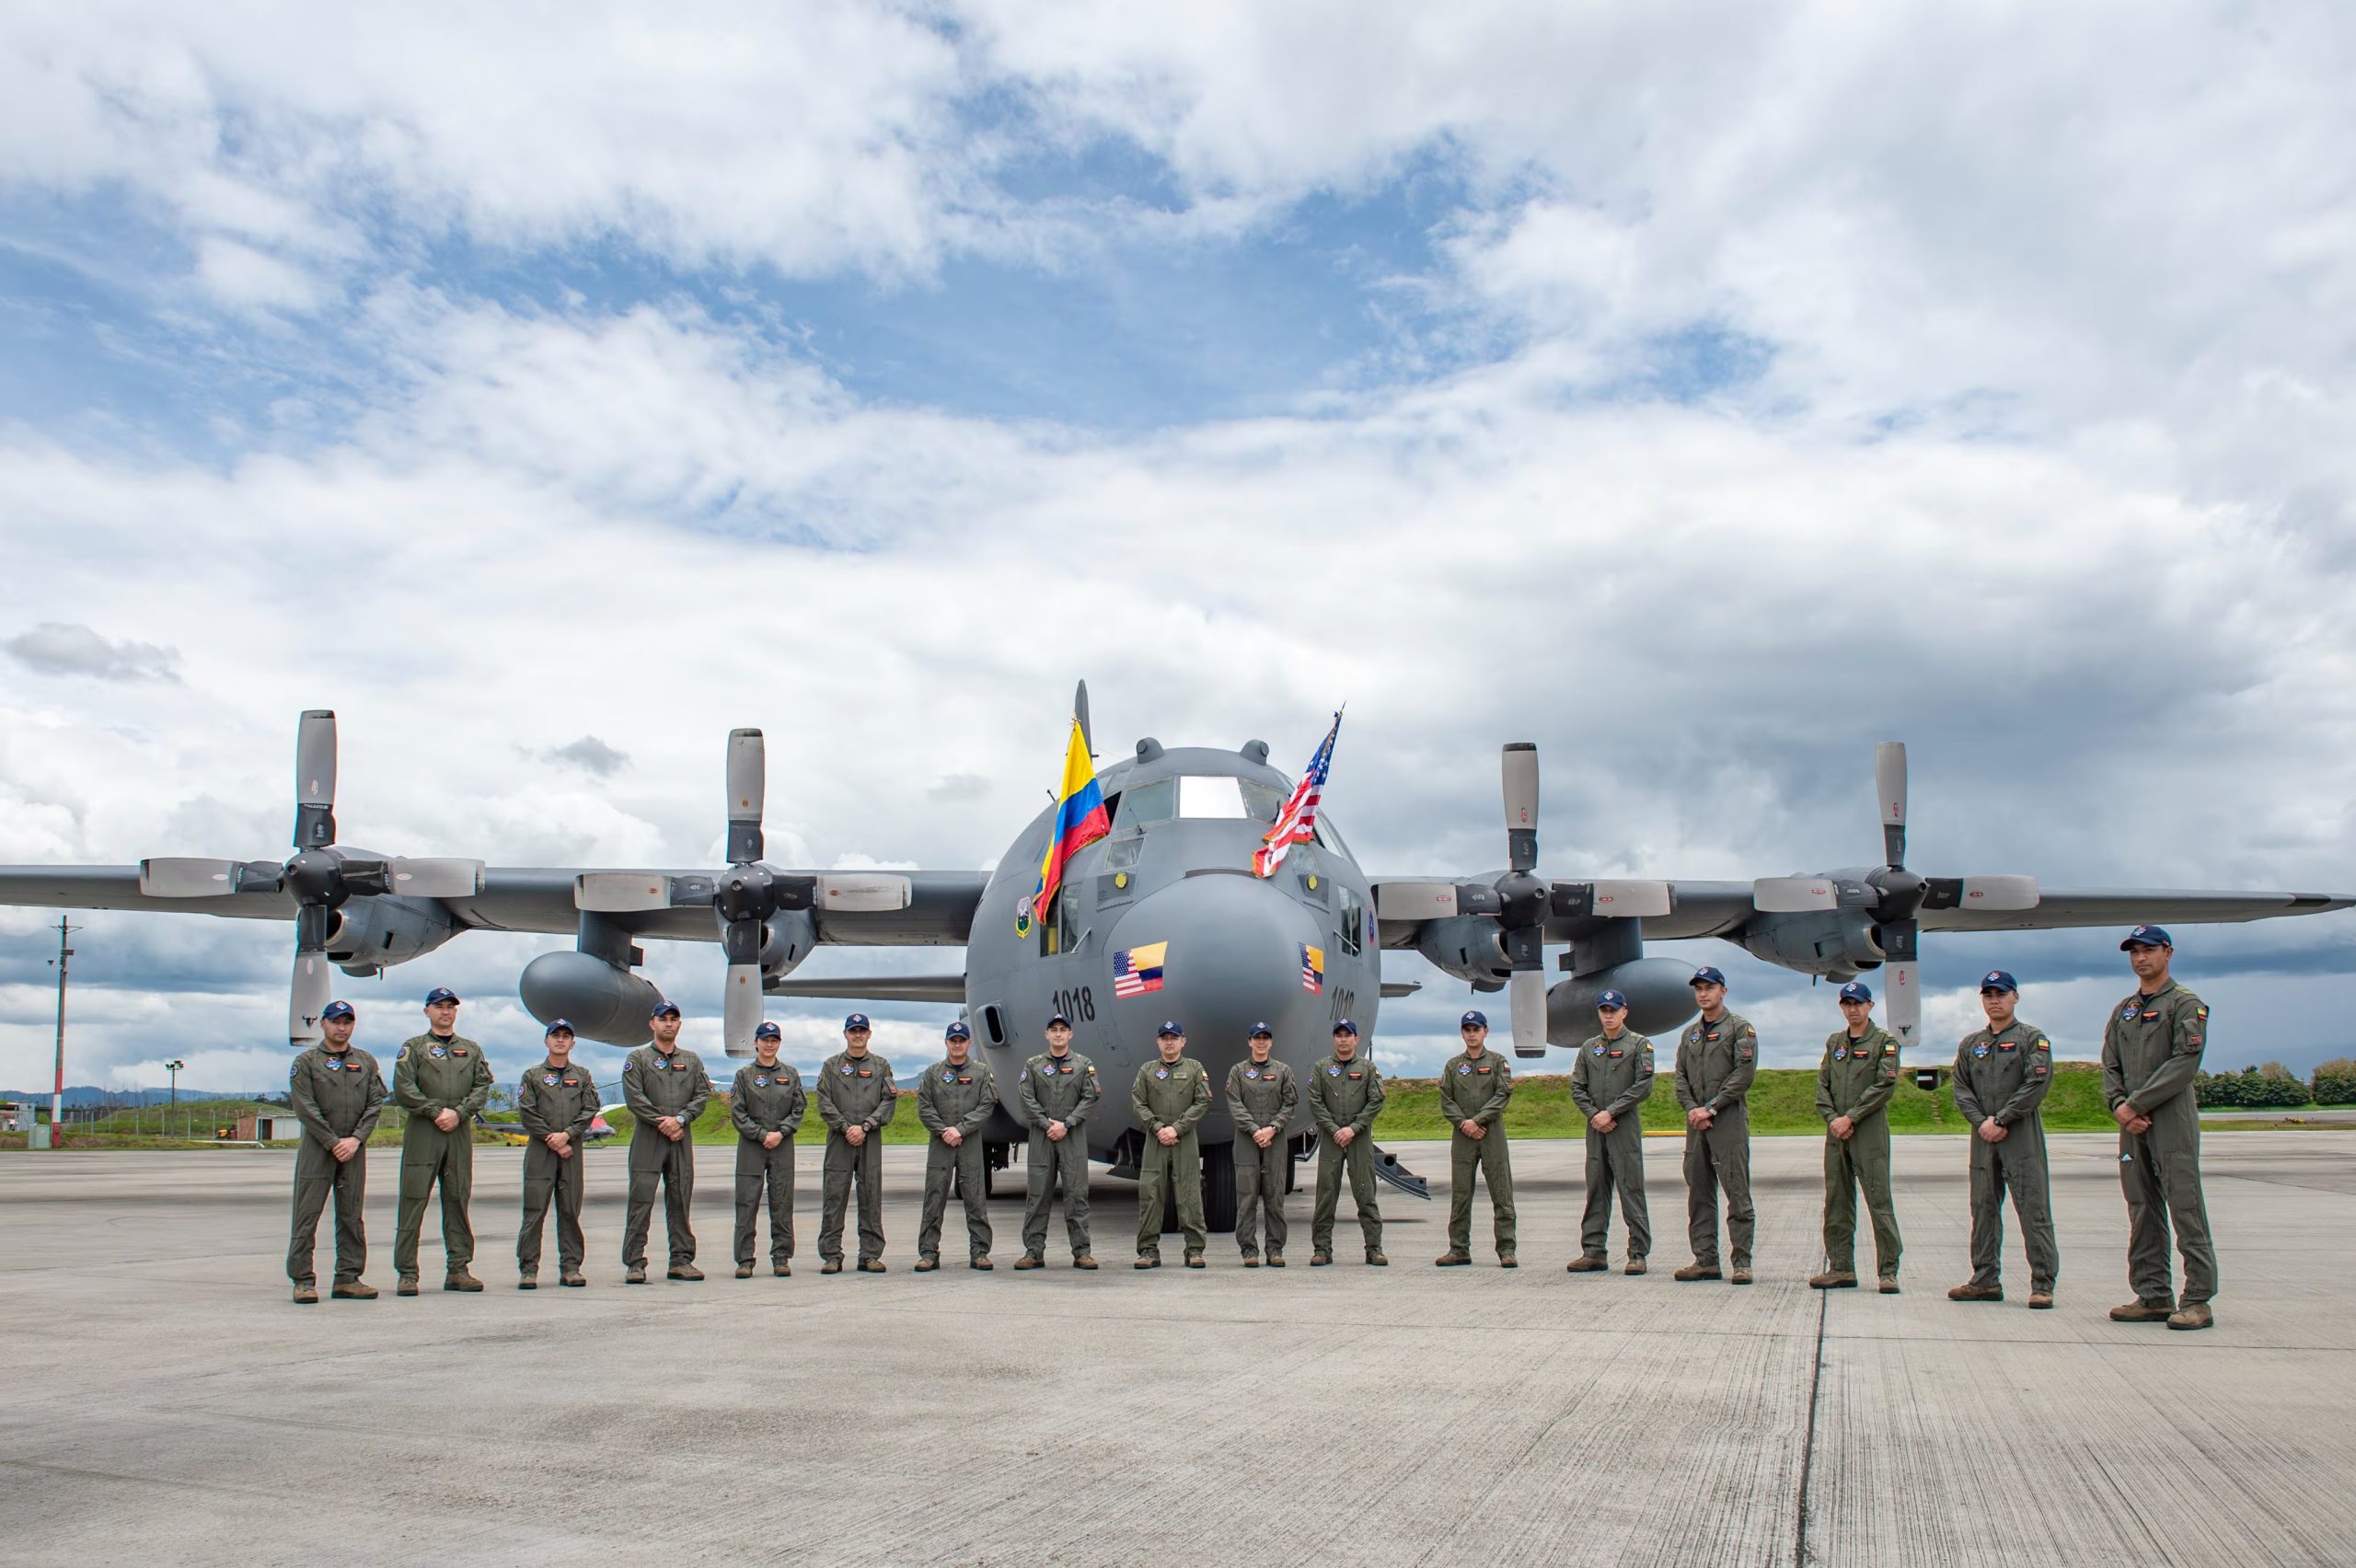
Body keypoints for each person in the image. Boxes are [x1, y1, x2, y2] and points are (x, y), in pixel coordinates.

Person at [2101, 926, 2217, 1331]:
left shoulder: (2186, 1005)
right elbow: (2110, 1064)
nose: (2140, 958)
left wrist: (2136, 1104)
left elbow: (2184, 1063)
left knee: (2184, 1206)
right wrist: (2119, 1106)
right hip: (2131, 1124)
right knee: (2142, 1207)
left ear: (2167, 952)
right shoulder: (2124, 1010)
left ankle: (2198, 1299)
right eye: (2133, 951)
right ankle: (2152, 1295)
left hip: (2169, 1120)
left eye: (2148, 950)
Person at [1947, 971, 2058, 1309]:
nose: (1994, 1000)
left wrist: (2003, 1118)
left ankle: (2042, 1283)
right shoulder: (1971, 1044)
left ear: (2015, 997)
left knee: (2033, 1207)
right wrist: (1982, 1122)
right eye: (1988, 994)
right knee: (1982, 1208)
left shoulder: (2031, 1039)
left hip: (2020, 1135)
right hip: (1983, 1137)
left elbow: (2036, 1084)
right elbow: (1961, 1087)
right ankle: (1984, 1279)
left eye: (2001, 993)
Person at [391, 986, 494, 1296]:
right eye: (438, 1006)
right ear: (427, 1011)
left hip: (458, 1132)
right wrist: (436, 1112)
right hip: (425, 1131)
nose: (445, 1012)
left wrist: (460, 1113)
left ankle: (459, 1269)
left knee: (457, 1199)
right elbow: (404, 1088)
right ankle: (407, 1273)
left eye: (450, 1007)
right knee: (413, 1201)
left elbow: (482, 1086)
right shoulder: (414, 1048)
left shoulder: (471, 1049)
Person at [285, 999, 386, 1304]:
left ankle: (348, 1277)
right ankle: (303, 1279)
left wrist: (355, 1139)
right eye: (335, 1021)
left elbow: (375, 1102)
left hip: (353, 1150)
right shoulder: (306, 1063)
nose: (341, 1027)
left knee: (351, 1215)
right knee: (307, 1214)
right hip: (319, 1149)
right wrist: (332, 1142)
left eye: (347, 1022)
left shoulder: (366, 1062)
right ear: (323, 1024)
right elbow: (305, 1107)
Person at [1810, 981, 1902, 1293]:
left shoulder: (1884, 1042)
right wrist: (1834, 1119)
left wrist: (1851, 1116)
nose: (1853, 1009)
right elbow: (1822, 1086)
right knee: (1836, 1200)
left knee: (1878, 1199)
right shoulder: (1835, 1042)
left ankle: (1888, 1271)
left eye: (1858, 1003)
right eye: (1847, 1003)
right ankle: (1840, 1268)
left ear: (1870, 1006)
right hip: (1836, 1133)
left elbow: (1884, 1086)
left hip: (1868, 1130)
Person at [1673, 967, 1758, 1285]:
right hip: (1696, 1124)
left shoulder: (1739, 1029)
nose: (1703, 993)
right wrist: (1693, 1109)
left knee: (1736, 1192)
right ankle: (1705, 1259)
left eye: (1709, 987)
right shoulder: (1690, 1034)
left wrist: (1711, 1107)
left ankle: (1742, 1262)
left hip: (1727, 1122)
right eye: (1698, 988)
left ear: (1723, 990)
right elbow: (1680, 1077)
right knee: (1699, 1193)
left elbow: (1743, 1075)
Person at [621, 999, 712, 1284]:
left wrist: (682, 1120)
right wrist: (664, 1122)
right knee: (641, 1200)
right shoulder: (637, 1059)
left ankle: (681, 1260)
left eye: (673, 1019)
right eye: (663, 1019)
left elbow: (701, 1094)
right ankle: (635, 1262)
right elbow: (634, 1097)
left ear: (679, 1025)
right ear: (653, 1024)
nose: (668, 1023)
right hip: (649, 1138)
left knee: (680, 1198)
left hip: (680, 1139)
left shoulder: (692, 1059)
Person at [1567, 990, 1656, 1275]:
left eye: (1613, 1009)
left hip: (1623, 1126)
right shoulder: (1588, 1048)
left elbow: (1643, 1085)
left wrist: (1612, 1111)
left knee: (1631, 1188)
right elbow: (1577, 1087)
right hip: (1596, 1128)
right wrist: (1595, 1115)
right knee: (1596, 1188)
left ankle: (1638, 1253)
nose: (1608, 1015)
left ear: (1624, 1012)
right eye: (1604, 1010)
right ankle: (1593, 1251)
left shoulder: (1639, 1045)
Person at [516, 1019, 599, 1289]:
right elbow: (527, 1111)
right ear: (547, 1041)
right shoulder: (533, 1076)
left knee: (570, 1211)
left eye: (566, 1036)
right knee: (534, 1211)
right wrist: (552, 1138)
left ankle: (571, 1267)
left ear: (573, 1042)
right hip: (541, 1151)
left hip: (571, 1152)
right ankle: (529, 1269)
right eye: (556, 1036)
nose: (561, 1040)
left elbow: (590, 1109)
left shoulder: (583, 1076)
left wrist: (568, 1135)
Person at [1016, 1012, 1101, 1269]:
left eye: (1063, 1029)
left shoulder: (1083, 1065)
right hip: (1042, 1137)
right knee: (1038, 1195)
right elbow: (1025, 1098)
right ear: (1047, 1034)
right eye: (1054, 1029)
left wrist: (1067, 1123)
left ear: (1070, 1034)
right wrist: (1046, 1124)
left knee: (1077, 1195)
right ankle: (1033, 1252)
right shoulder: (1033, 1065)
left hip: (1072, 1136)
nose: (1058, 1033)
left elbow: (1091, 1097)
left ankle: (1082, 1252)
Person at [815, 1012, 896, 1273]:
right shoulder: (831, 1066)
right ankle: (831, 1255)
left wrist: (866, 1126)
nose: (858, 1035)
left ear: (869, 1034)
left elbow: (888, 1100)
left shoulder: (881, 1065)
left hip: (869, 1138)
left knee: (871, 1194)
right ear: (846, 1034)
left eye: (862, 1031)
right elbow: (824, 1101)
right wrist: (844, 1127)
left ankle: (870, 1254)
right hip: (840, 1139)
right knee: (834, 1196)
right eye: (853, 1031)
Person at [1435, 1009, 1516, 1267]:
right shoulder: (1453, 1065)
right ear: (1462, 1033)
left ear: (1485, 1032)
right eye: (1467, 1030)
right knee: (1460, 1194)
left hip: (1491, 1134)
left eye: (1476, 1029)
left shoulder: (1497, 1062)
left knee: (1501, 1194)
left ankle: (1507, 1250)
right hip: (1463, 1136)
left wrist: (1478, 1121)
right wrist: (1464, 1124)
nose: (1472, 1034)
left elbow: (1502, 1095)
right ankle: (1459, 1249)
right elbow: (1446, 1100)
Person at [916, 1021, 997, 1272]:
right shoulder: (932, 1073)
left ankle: (980, 1252)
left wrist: (960, 1129)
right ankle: (929, 1253)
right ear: (947, 1043)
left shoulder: (982, 1073)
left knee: (975, 1198)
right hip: (941, 1143)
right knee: (934, 1198)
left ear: (969, 1043)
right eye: (954, 1040)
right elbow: (924, 1107)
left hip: (969, 1141)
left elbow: (987, 1105)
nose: (958, 1044)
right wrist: (944, 1131)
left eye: (962, 1040)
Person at [1131, 1021, 1212, 1268]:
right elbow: (1138, 1103)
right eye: (1164, 1038)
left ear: (1183, 1041)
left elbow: (1202, 1101)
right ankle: (1148, 1251)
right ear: (1158, 1042)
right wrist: (1157, 1128)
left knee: (1189, 1194)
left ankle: (1195, 1250)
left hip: (1184, 1139)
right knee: (1150, 1193)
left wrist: (1177, 1128)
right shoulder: (1147, 1070)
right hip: (1155, 1140)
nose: (1169, 1042)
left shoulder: (1195, 1068)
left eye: (1174, 1037)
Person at [1308, 1019, 1386, 1267]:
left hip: (1358, 1139)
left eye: (1348, 1035)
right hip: (1331, 1140)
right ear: (1334, 1039)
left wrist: (1353, 1129)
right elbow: (1315, 1102)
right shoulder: (1321, 1068)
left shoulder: (1367, 1068)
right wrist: (1334, 1129)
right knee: (1326, 1195)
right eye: (1339, 1035)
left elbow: (1376, 1100)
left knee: (1365, 1194)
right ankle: (1322, 1249)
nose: (1343, 1039)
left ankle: (1374, 1249)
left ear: (1356, 1039)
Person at [730, 1020, 803, 1279]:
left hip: (782, 1145)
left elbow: (798, 1109)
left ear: (779, 1043)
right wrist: (762, 1135)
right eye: (765, 1039)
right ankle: (745, 1259)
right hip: (752, 1145)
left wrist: (781, 1133)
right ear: (756, 1042)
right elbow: (738, 1113)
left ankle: (781, 1257)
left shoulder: (791, 1074)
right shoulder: (744, 1075)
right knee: (746, 1201)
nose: (769, 1044)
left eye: (774, 1040)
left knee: (782, 1201)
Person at [1224, 1023, 1298, 1267]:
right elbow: (1235, 1104)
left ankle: (1275, 1249)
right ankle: (1249, 1250)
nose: (1261, 1042)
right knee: (1246, 1198)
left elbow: (1290, 1103)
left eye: (1265, 1038)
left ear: (1271, 1042)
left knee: (1275, 1196)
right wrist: (1255, 1130)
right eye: (1257, 1038)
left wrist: (1273, 1128)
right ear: (1249, 1042)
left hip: (1275, 1140)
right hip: (1247, 1139)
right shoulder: (1238, 1071)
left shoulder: (1283, 1071)